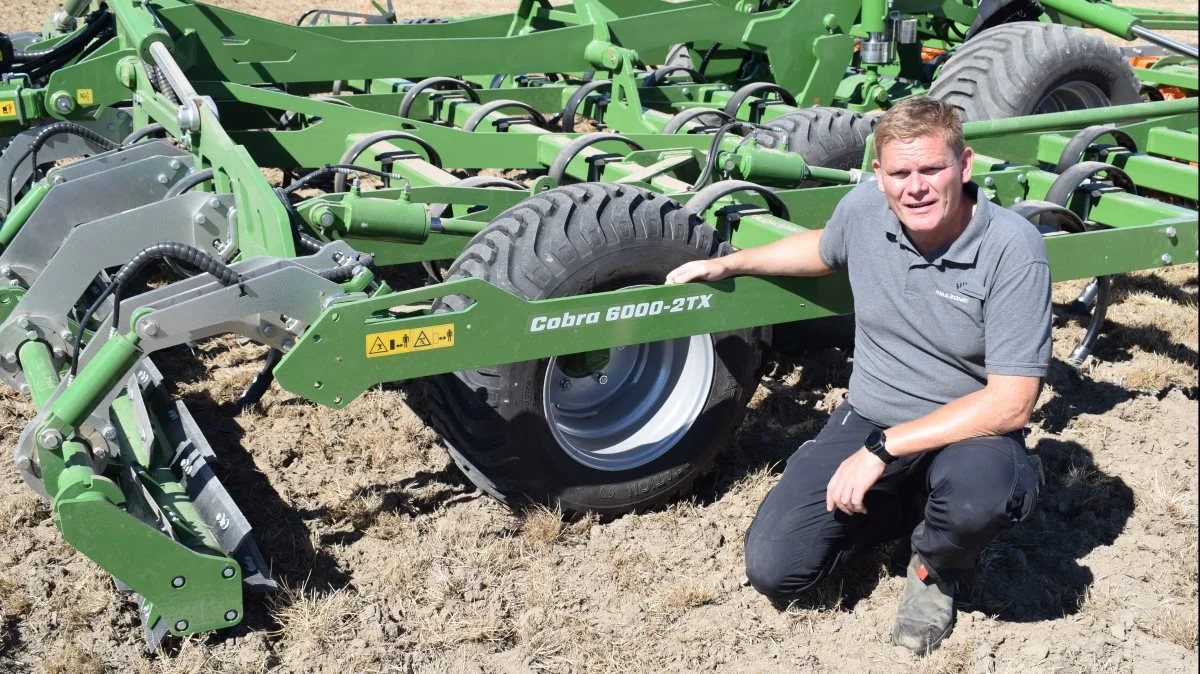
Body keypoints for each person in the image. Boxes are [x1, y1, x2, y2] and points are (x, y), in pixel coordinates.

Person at [665, 96, 1049, 654]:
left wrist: (881, 451)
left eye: (932, 169)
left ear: (964, 166)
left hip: (970, 431)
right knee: (778, 569)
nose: (915, 186)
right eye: (900, 173)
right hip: (871, 413)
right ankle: (914, 503)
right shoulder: (867, 209)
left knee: (977, 499)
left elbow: (1012, 404)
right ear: (879, 176)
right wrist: (730, 262)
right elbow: (822, 249)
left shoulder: (1012, 249)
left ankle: (934, 567)